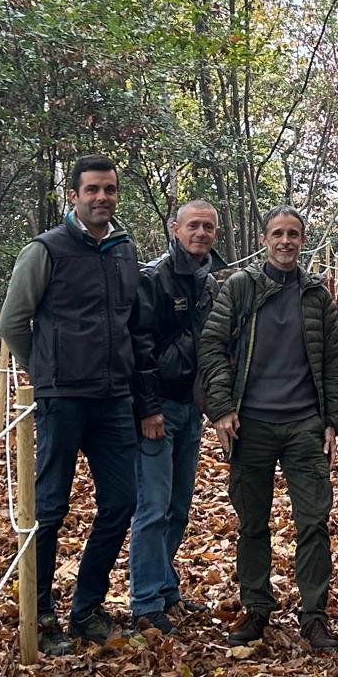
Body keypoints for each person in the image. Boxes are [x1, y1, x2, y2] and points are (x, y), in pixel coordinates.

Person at [0, 155, 159, 656]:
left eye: (109, 190)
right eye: (92, 190)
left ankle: (86, 607)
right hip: (62, 399)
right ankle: (40, 612)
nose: (102, 198)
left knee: (122, 502)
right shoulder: (45, 250)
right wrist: (45, 373)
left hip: (113, 399)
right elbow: (12, 322)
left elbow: (133, 323)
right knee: (49, 508)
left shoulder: (123, 250)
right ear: (74, 195)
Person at [197, 205, 338, 651]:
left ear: (303, 241)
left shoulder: (317, 295)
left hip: (305, 425)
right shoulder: (241, 287)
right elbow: (212, 344)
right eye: (278, 234)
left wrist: (333, 422)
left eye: (294, 234)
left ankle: (314, 616)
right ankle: (257, 608)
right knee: (252, 524)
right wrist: (222, 408)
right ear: (265, 240)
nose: (286, 241)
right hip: (251, 424)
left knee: (314, 523)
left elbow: (333, 363)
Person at [127, 199, 219, 633]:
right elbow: (139, 346)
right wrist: (148, 407)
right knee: (154, 507)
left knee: (179, 506)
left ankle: (166, 589)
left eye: (209, 228)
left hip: (190, 407)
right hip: (157, 409)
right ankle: (145, 602)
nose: (201, 233)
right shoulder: (154, 278)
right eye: (194, 226)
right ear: (175, 228)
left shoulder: (209, 282)